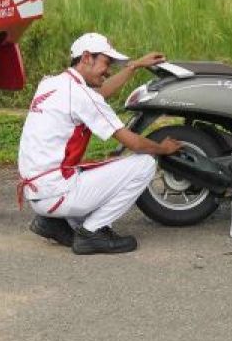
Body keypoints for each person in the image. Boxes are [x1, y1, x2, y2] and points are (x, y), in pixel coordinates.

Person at [18, 32, 182, 255]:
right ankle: (92, 233)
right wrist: (163, 149)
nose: (109, 70)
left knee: (105, 165)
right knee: (144, 164)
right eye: (106, 62)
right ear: (87, 57)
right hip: (56, 192)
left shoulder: (51, 84)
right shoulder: (79, 94)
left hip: (38, 191)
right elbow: (133, 143)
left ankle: (52, 222)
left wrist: (134, 66)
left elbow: (99, 93)